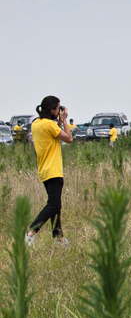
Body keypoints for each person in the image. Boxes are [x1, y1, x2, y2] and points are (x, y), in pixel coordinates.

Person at [26, 96, 73, 247]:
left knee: (56, 205)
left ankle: (59, 238)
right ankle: (31, 232)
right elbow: (68, 139)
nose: (59, 110)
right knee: (53, 205)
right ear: (52, 110)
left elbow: (52, 134)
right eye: (58, 108)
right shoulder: (49, 125)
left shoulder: (37, 124)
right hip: (54, 170)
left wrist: (58, 121)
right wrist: (65, 120)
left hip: (44, 170)